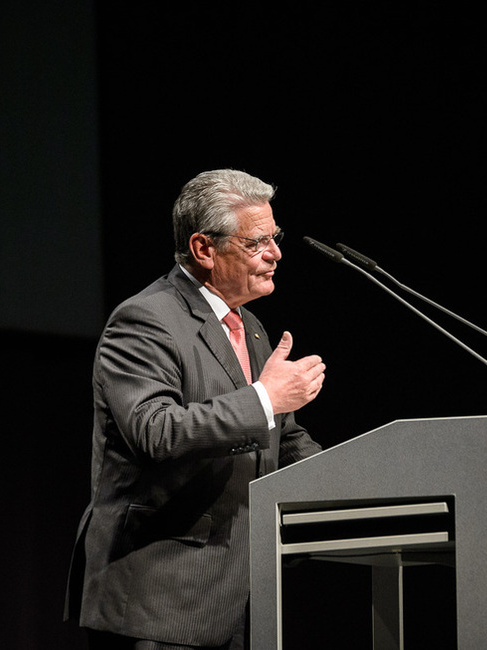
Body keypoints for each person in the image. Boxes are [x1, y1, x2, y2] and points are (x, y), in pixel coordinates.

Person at [65, 169, 327, 649]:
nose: (276, 253)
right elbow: (156, 430)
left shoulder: (249, 326)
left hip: (238, 595)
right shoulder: (145, 319)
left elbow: (282, 437)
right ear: (204, 249)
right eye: (257, 242)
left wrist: (358, 480)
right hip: (160, 597)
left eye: (276, 237)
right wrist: (266, 397)